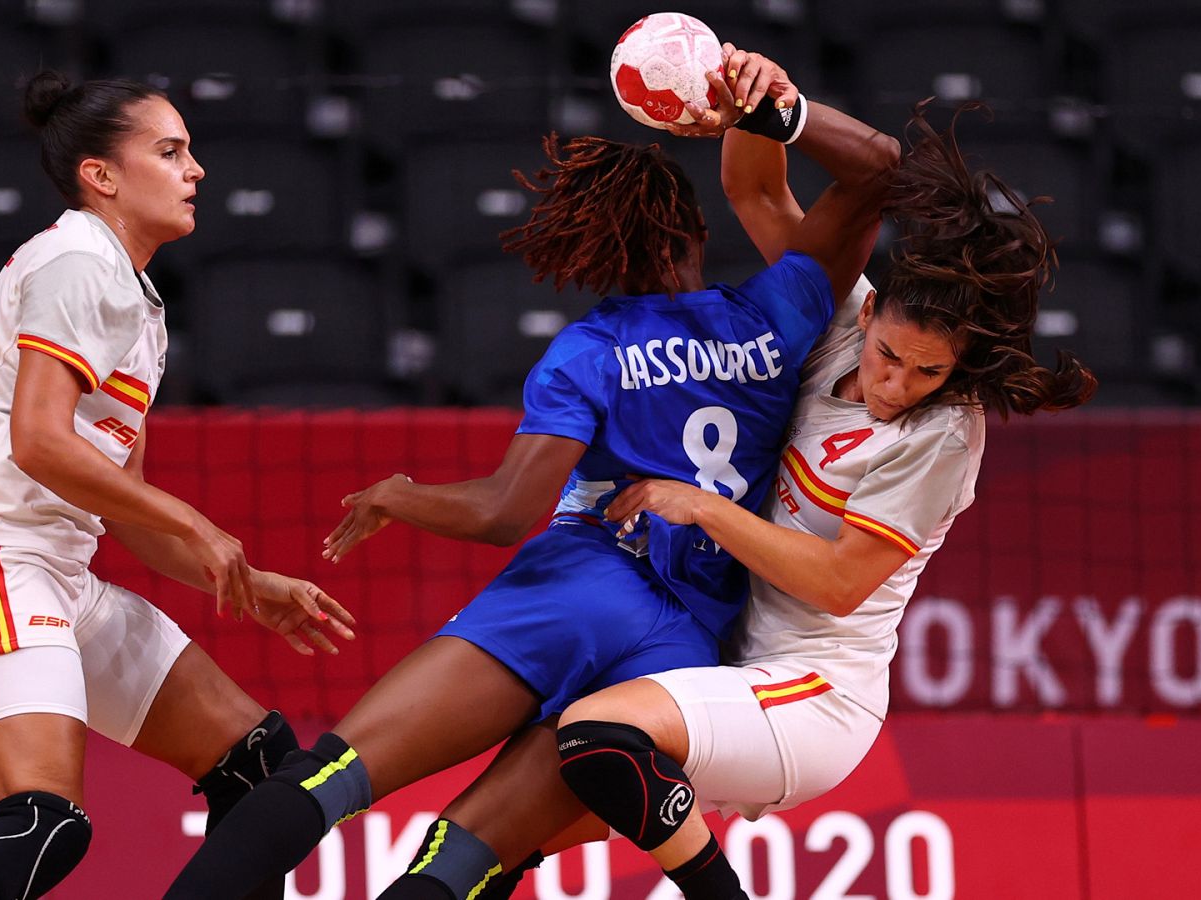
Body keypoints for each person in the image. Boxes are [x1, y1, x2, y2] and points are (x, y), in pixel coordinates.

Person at [166, 49, 901, 900]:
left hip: (575, 589)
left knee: (325, 781)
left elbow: (505, 513)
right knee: (465, 858)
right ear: (695, 233)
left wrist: (398, 495)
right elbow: (881, 167)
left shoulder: (588, 351)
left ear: (591, 251)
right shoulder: (780, 316)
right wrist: (772, 109)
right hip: (682, 648)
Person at [467, 92, 1097, 897]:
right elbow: (757, 193)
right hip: (723, 661)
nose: (895, 386)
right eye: (890, 357)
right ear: (870, 315)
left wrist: (701, 506)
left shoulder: (940, 435)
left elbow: (838, 584)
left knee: (596, 734)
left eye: (928, 372)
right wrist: (753, 99)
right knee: (490, 841)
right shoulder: (841, 322)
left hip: (811, 691)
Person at [0, 70, 356, 900]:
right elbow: (37, 441)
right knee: (43, 824)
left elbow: (126, 508)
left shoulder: (134, 295)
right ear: (100, 175)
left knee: (260, 766)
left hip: (59, 571)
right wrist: (196, 523)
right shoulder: (77, 258)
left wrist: (240, 580)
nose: (196, 171)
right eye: (171, 150)